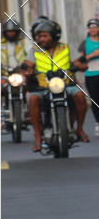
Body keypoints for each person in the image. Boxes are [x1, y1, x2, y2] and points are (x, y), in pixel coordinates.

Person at [23, 19, 89, 152]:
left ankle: (79, 129)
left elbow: (78, 63)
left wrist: (79, 66)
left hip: (66, 84)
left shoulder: (66, 48)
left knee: (80, 95)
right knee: (32, 99)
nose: (41, 39)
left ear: (54, 36)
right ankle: (37, 135)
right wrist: (27, 71)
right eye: (39, 36)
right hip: (43, 87)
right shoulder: (34, 51)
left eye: (44, 36)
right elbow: (27, 66)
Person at [76, 17, 99, 137]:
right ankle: (98, 123)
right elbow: (79, 60)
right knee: (95, 100)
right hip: (91, 74)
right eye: (91, 28)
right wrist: (91, 55)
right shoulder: (84, 43)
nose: (93, 30)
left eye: (95, 27)